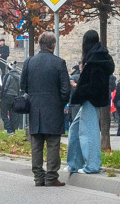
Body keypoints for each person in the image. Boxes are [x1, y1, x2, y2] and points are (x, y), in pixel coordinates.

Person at [21, 32, 70, 187]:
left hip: (35, 107)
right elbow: (66, 89)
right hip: (54, 107)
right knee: (53, 143)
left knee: (36, 143)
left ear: (39, 44)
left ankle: (38, 177)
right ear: (53, 45)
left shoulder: (29, 62)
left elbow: (23, 85)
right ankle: (51, 177)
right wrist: (61, 103)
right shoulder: (59, 63)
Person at [67, 30, 114, 175]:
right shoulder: (100, 57)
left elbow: (94, 85)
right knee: (75, 129)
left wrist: (79, 91)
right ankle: (74, 164)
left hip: (90, 99)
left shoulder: (94, 60)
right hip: (92, 99)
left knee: (88, 132)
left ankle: (92, 166)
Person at [0, 66, 22, 134]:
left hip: (7, 96)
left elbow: (5, 87)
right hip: (15, 97)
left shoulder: (8, 76)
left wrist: (2, 96)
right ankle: (13, 130)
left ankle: (9, 129)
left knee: (3, 113)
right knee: (13, 114)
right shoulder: (20, 77)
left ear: (9, 70)